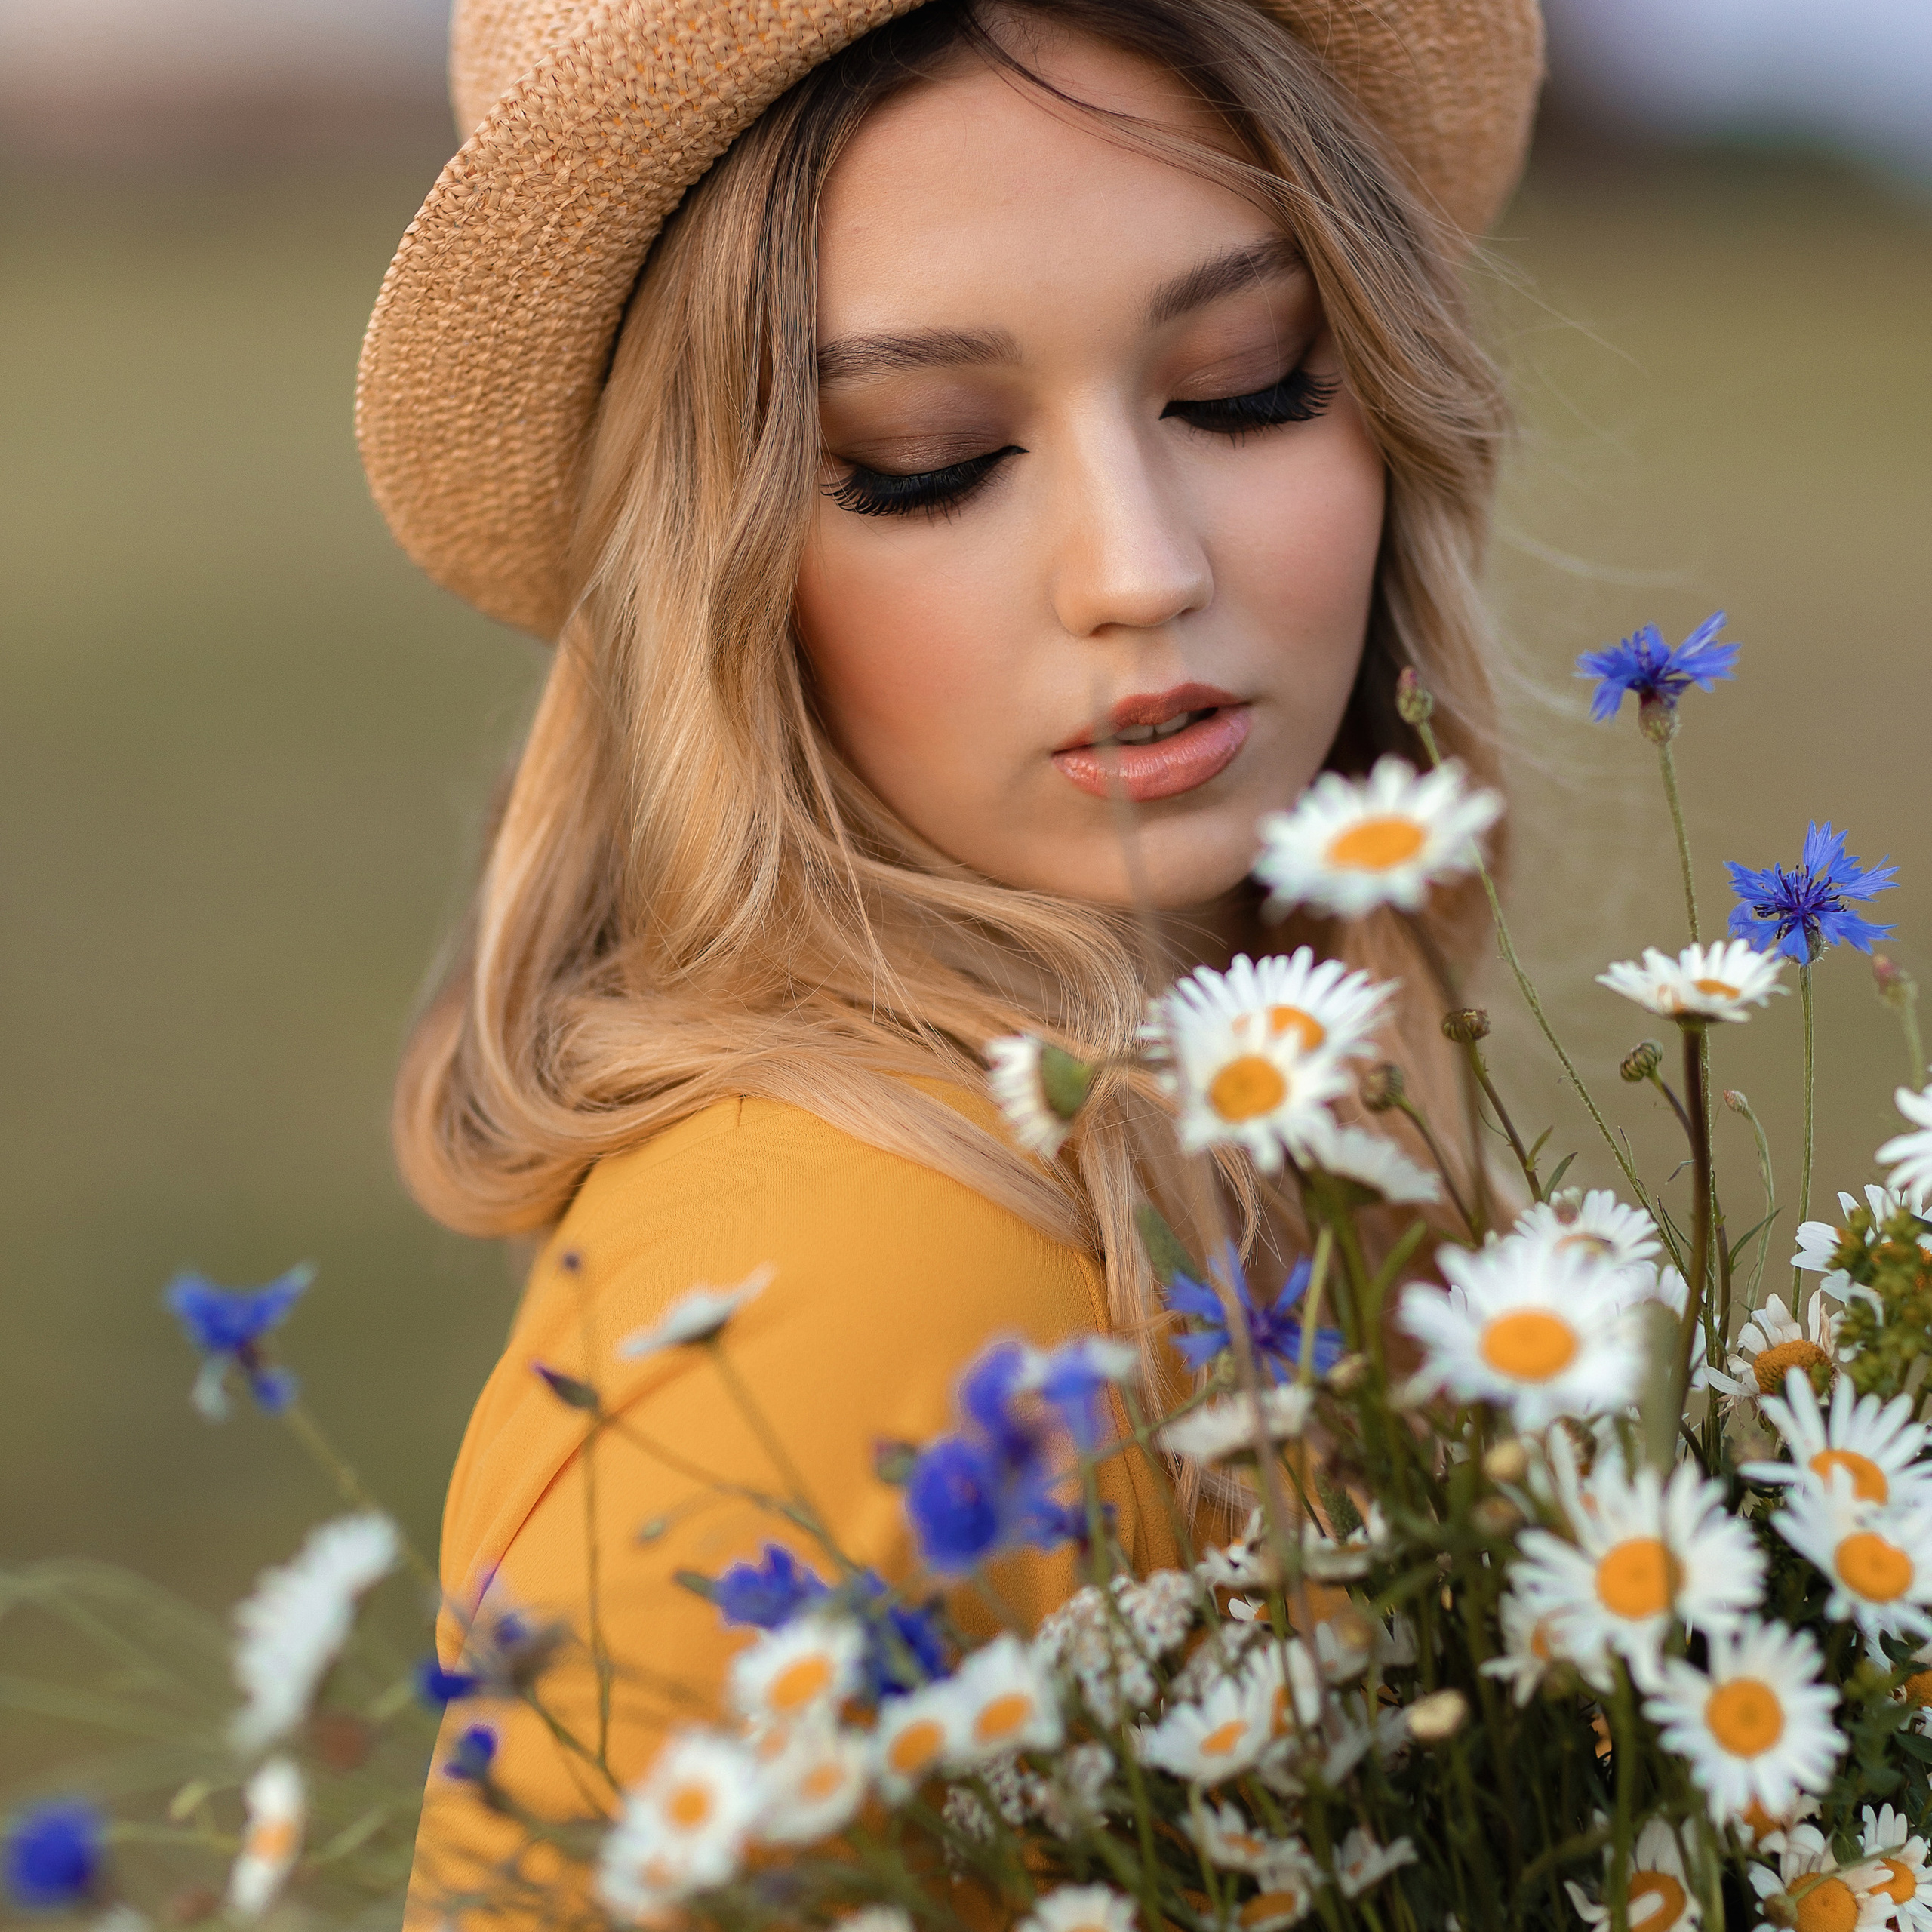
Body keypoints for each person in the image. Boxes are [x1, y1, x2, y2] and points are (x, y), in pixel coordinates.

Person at [355, 0, 1542, 1915]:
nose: (1134, 565)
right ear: (719, 567)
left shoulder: (1278, 1138)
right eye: (921, 459)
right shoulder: (846, 1285)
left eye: (1241, 384)